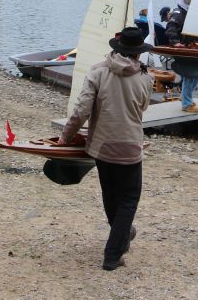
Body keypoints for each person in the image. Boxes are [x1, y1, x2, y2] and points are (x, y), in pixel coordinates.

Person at [58, 27, 153, 271]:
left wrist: (65, 137)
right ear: (139, 53)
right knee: (129, 199)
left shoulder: (97, 71)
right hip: (130, 146)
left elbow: (81, 110)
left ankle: (122, 235)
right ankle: (113, 254)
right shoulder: (145, 77)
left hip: (101, 146)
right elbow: (142, 108)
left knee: (111, 195)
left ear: (116, 48)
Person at [165, 0, 198, 113]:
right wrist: (175, 42)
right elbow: (171, 28)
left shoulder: (189, 13)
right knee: (190, 75)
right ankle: (186, 103)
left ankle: (186, 98)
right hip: (182, 49)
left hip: (190, 48)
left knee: (196, 74)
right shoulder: (179, 13)